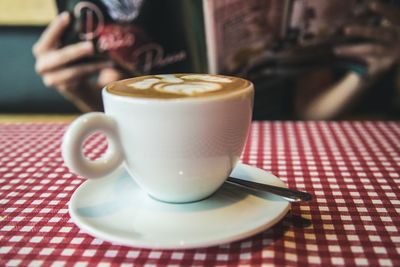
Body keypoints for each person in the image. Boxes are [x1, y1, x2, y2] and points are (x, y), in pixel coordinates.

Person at [33, 1, 400, 119]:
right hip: (165, 144)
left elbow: (310, 108)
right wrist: (79, 91)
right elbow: (121, 119)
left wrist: (366, 73)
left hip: (277, 148)